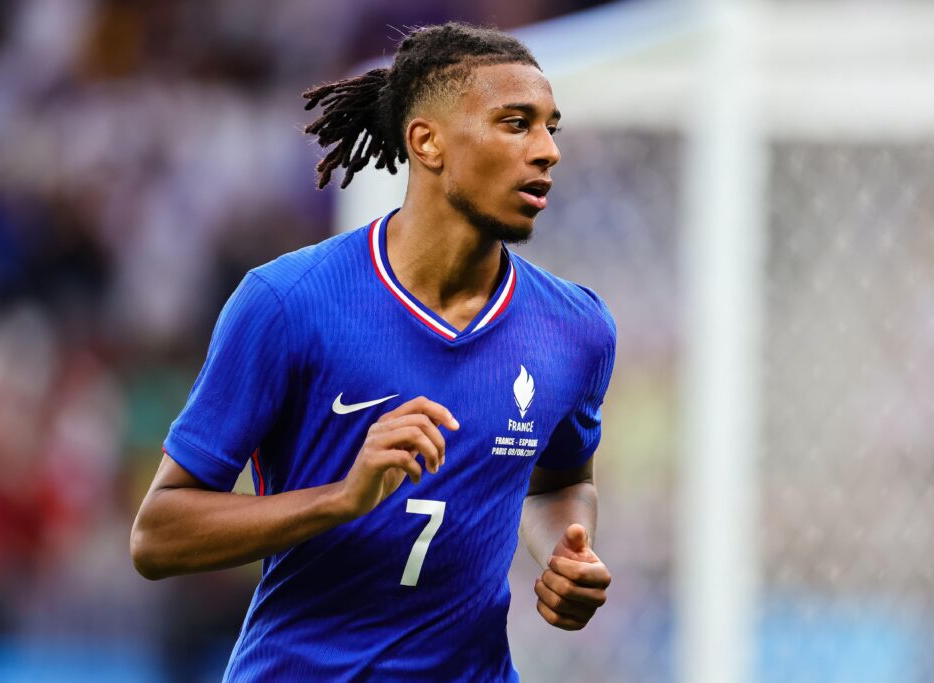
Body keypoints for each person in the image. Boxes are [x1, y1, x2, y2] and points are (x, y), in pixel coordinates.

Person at [131, 22, 616, 682]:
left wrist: (567, 553)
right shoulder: (288, 302)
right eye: (515, 124)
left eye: (550, 127)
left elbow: (562, 482)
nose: (548, 150)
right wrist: (341, 498)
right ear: (427, 142)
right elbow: (157, 535)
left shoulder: (577, 328)